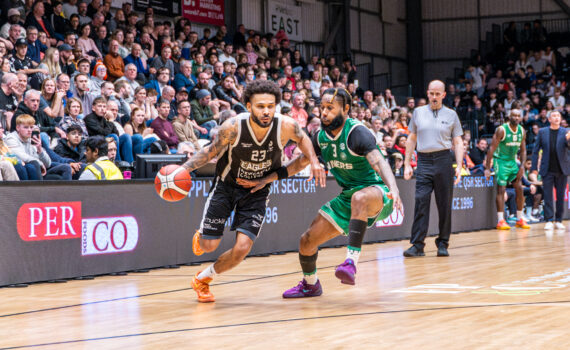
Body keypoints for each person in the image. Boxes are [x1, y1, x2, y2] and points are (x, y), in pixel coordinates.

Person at [238, 87, 400, 298]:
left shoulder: (357, 132)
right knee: (306, 241)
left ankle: (350, 263)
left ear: (346, 109)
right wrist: (267, 178)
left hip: (379, 192)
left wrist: (394, 189)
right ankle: (310, 284)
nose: (323, 113)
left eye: (330, 108)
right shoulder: (320, 137)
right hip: (349, 197)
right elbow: (299, 163)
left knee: (360, 197)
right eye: (322, 108)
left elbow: (379, 162)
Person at [181, 80, 325, 303]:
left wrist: (314, 161)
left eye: (270, 106)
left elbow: (303, 138)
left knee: (241, 249)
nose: (266, 111)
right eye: (260, 106)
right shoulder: (233, 126)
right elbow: (210, 153)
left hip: (257, 191)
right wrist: (181, 171)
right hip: (226, 186)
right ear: (249, 106)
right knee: (209, 246)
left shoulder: (286, 125)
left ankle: (202, 280)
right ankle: (202, 235)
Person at [403, 80, 463, 257]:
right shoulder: (418, 112)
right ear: (427, 94)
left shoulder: (452, 115)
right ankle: (417, 245)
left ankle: (443, 243)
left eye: (438, 94)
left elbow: (458, 142)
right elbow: (412, 138)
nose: (434, 97)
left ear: (444, 95)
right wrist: (407, 163)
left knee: (444, 204)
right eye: (431, 94)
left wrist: (459, 166)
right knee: (421, 201)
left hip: (444, 160)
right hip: (424, 161)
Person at [484, 109, 530, 230]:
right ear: (509, 117)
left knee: (519, 187)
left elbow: (524, 150)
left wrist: (522, 166)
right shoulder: (501, 130)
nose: (516, 117)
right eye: (514, 115)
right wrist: (488, 168)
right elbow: (491, 149)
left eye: (518, 116)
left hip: (513, 162)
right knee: (501, 189)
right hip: (500, 161)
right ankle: (500, 220)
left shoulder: (522, 130)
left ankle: (520, 218)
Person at [530, 111, 570, 230]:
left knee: (560, 195)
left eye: (558, 116)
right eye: (554, 116)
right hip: (547, 168)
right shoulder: (542, 132)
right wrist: (533, 169)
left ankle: (558, 220)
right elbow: (536, 151)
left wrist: (568, 140)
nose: (556, 118)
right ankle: (549, 219)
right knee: (547, 196)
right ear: (549, 119)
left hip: (562, 169)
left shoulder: (566, 132)